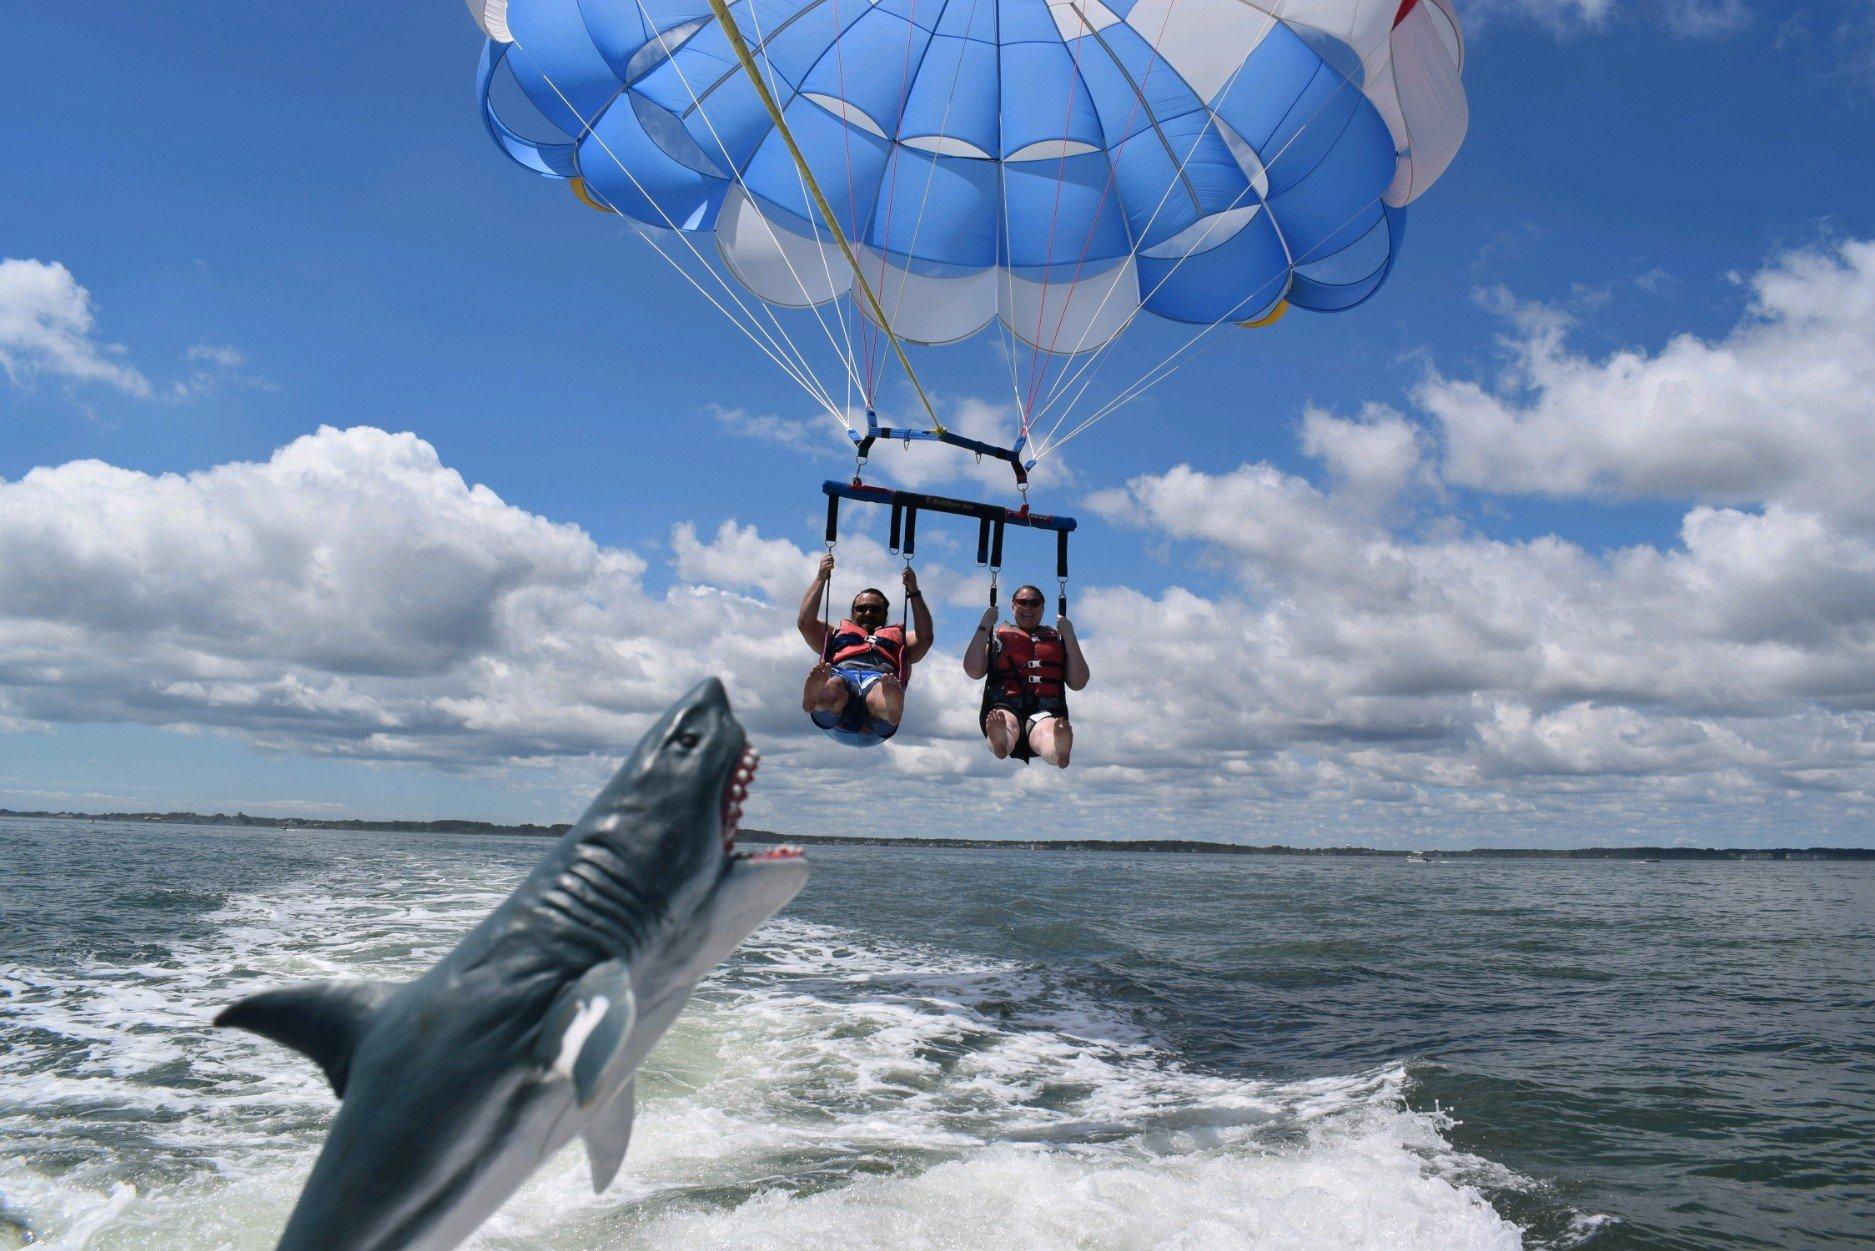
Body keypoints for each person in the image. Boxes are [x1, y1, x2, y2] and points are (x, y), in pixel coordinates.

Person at [798, 555, 932, 748]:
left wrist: (913, 591)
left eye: (874, 609)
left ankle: (890, 707)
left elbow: (925, 638)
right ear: (853, 612)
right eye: (862, 608)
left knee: (880, 691)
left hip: (879, 682)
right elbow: (805, 623)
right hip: (843, 680)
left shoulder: (902, 639)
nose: (868, 613)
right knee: (834, 685)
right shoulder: (834, 634)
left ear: (884, 613)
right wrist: (821, 577)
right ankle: (816, 699)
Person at [963, 584, 1090, 767]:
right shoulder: (997, 637)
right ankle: (1000, 742)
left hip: (1046, 710)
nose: (1028, 608)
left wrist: (1069, 635)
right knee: (1007, 724)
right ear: (1013, 606)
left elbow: (1079, 682)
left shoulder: (1058, 640)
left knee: (1046, 732)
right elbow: (973, 671)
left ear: (1042, 608)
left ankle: (1059, 751)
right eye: (1022, 603)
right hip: (1005, 704)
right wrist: (984, 626)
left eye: (1034, 603)